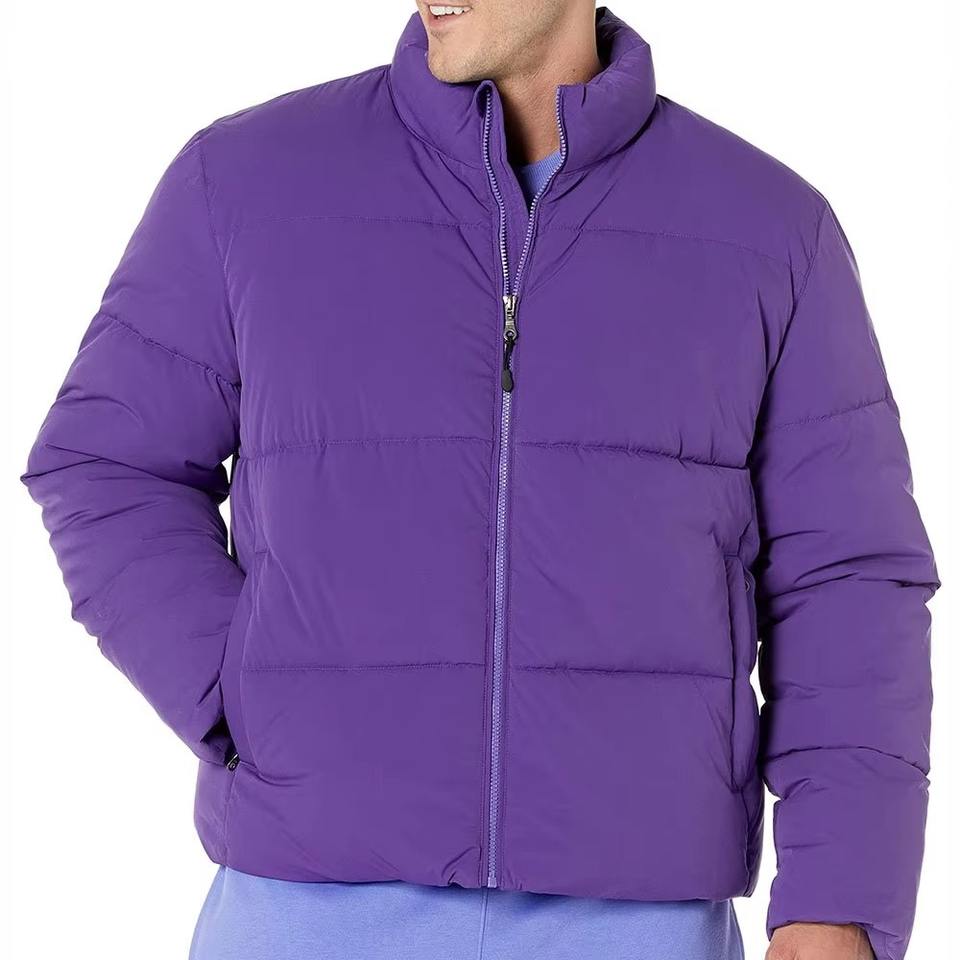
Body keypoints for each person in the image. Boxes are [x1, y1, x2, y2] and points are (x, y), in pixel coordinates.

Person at [22, 3, 937, 959]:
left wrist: (838, 901)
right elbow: (105, 463)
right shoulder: (245, 183)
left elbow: (849, 580)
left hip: (634, 924)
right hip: (305, 913)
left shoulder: (769, 230)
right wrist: (245, 692)